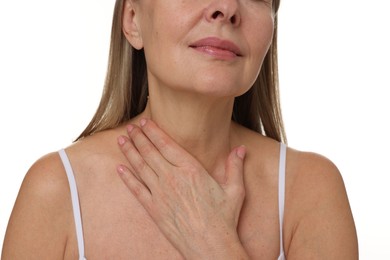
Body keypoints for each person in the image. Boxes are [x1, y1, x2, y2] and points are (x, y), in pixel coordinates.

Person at [2, 0, 358, 259]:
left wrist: (215, 245)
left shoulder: (311, 190)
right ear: (132, 19)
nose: (227, 8)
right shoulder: (56, 191)